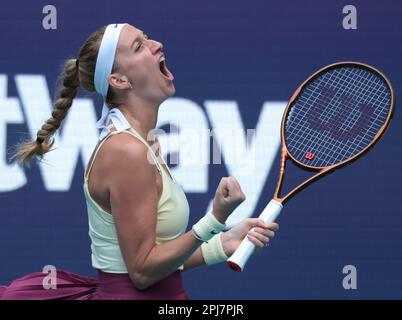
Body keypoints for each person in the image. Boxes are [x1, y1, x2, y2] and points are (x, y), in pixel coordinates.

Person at [1, 23, 278, 300]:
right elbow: (142, 273)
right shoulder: (126, 151)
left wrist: (221, 244)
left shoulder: (142, 142)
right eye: (139, 46)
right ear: (119, 81)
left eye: (146, 38)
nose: (156, 44)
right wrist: (215, 219)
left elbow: (148, 265)